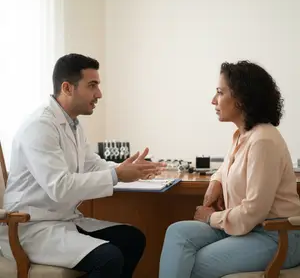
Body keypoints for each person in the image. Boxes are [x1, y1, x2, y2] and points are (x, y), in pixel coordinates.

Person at [0, 53, 164, 278]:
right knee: (109, 257)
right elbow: (60, 186)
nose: (99, 94)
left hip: (61, 220)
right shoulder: (39, 126)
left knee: (132, 239)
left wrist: (129, 169)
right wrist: (117, 174)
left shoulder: (72, 124)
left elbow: (92, 164)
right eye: (92, 85)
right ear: (67, 88)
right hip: (30, 226)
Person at [159, 61, 300, 278]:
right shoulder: (242, 135)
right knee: (177, 232)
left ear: (241, 99)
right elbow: (226, 167)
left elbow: (254, 210)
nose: (213, 100)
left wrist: (210, 217)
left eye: (220, 92)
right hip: (246, 228)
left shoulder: (263, 141)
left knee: (196, 263)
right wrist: (217, 181)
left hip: (276, 235)